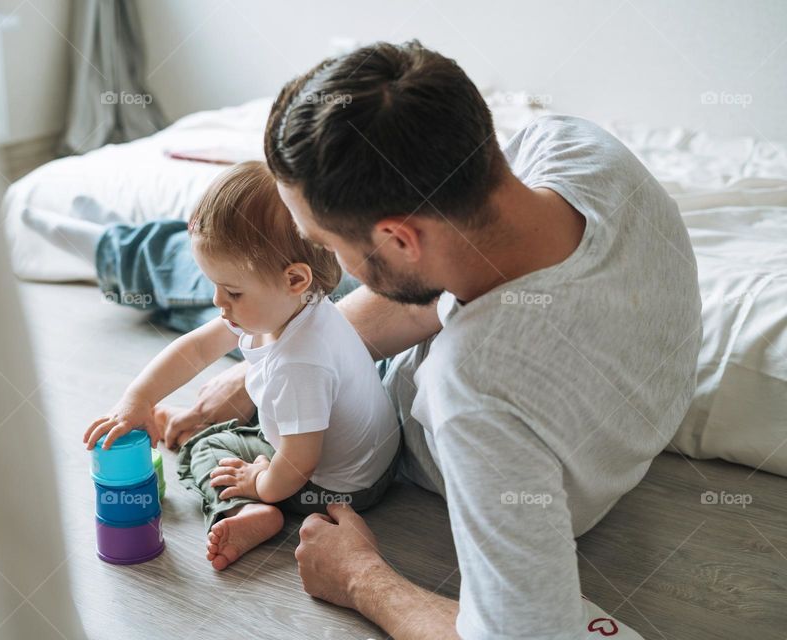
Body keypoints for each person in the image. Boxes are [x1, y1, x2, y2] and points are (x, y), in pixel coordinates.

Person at [163, 41, 702, 638]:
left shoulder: (477, 395)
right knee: (232, 269)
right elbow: (440, 293)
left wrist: (362, 578)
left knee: (187, 268)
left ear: (398, 239)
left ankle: (126, 254)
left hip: (424, 442)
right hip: (597, 428)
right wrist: (262, 367)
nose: (323, 265)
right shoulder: (575, 146)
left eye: (326, 245)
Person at [81, 161, 401, 571]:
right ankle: (252, 481)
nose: (218, 301)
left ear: (295, 279)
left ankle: (245, 512)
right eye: (214, 284)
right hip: (370, 458)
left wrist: (260, 484)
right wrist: (137, 399)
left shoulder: (299, 363)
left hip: (336, 488)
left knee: (204, 447)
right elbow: (194, 350)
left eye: (231, 290)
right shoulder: (296, 307)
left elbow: (300, 461)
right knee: (258, 416)